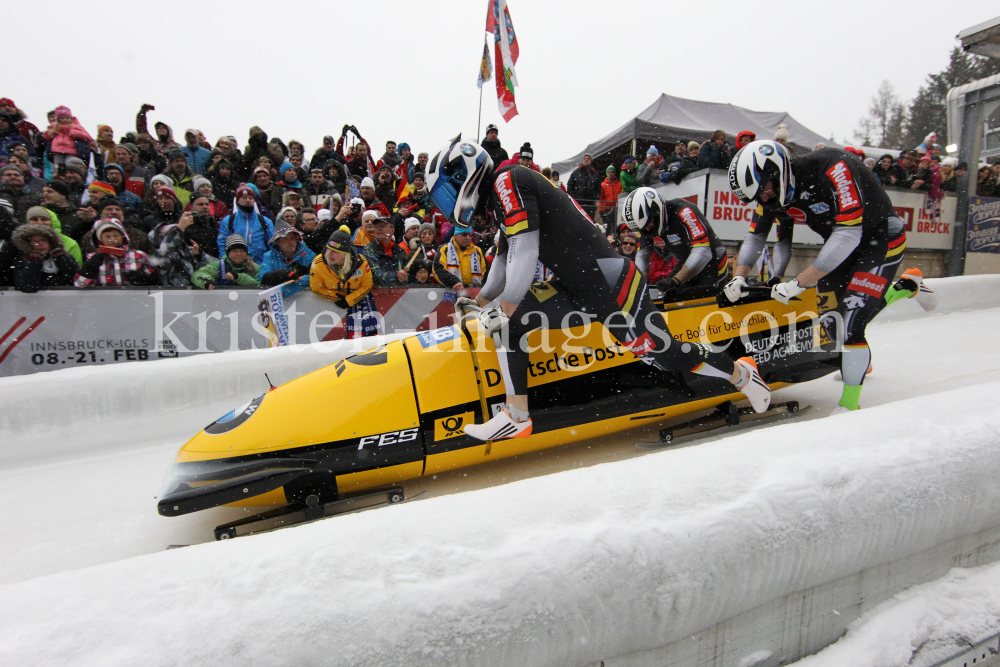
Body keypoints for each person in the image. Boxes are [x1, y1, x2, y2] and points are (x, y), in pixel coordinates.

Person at [426, 136, 771, 441]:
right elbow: (504, 261)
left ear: (464, 176)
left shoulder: (508, 179)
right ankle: (516, 415)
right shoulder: (502, 198)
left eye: (446, 193)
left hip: (612, 283)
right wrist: (479, 301)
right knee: (514, 324)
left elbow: (524, 252)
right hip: (576, 285)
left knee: (665, 357)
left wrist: (502, 308)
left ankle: (741, 375)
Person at [724, 140, 935, 414]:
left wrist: (799, 282)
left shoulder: (833, 167)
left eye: (763, 190)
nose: (763, 199)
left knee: (851, 323)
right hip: (840, 246)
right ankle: (906, 288)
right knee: (832, 325)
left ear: (777, 172)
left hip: (880, 239)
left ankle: (849, 404)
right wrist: (738, 277)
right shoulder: (771, 193)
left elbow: (849, 234)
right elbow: (756, 236)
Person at [620, 188, 729, 301]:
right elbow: (643, 255)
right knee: (668, 297)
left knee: (706, 300)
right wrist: (639, 286)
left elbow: (703, 252)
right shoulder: (645, 228)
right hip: (684, 261)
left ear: (657, 211)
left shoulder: (684, 211)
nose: (647, 229)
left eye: (649, 223)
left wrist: (676, 280)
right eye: (642, 227)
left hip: (712, 260)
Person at [309, 229, 379, 338]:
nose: (329, 254)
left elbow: (367, 285)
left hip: (360, 306)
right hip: (327, 314)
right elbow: (316, 288)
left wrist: (349, 300)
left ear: (345, 254)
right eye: (328, 249)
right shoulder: (318, 263)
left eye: (335, 251)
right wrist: (337, 297)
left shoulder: (362, 263)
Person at [74, 219, 157, 287]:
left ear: (123, 237)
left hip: (133, 300)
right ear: (100, 239)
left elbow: (155, 283)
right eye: (107, 236)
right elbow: (80, 285)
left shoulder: (139, 255)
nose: (112, 239)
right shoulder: (92, 257)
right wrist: (90, 269)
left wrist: (142, 280)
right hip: (103, 302)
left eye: (116, 235)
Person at [4, 222, 79, 291]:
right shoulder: (22, 261)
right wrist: (34, 263)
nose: (42, 244)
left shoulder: (64, 257)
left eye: (44, 240)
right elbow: (27, 287)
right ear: (27, 244)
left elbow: (77, 280)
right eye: (36, 241)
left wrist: (62, 259)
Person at [216, 184, 274, 262]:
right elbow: (222, 243)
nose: (248, 200)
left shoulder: (265, 221)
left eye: (250, 198)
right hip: (235, 265)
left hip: (260, 264)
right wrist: (225, 262)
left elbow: (272, 244)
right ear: (237, 201)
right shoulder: (228, 220)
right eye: (244, 198)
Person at [259, 223, 317, 296]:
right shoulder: (269, 256)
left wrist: (287, 289)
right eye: (284, 239)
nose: (289, 242)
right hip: (276, 301)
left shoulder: (308, 254)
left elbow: (315, 276)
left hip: (304, 298)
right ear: (277, 242)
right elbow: (263, 278)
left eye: (292, 238)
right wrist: (282, 274)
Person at [435, 223, 484, 289]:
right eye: (464, 234)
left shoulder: (478, 251)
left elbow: (485, 273)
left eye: (470, 235)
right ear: (456, 235)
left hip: (474, 293)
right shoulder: (444, 249)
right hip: (451, 291)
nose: (468, 237)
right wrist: (453, 282)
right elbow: (438, 270)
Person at [363, 217, 409, 286]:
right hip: (378, 294)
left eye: (383, 226)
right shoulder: (369, 249)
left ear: (392, 230)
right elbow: (375, 276)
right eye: (376, 226)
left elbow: (407, 276)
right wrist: (396, 276)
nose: (379, 229)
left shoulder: (400, 250)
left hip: (401, 292)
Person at [567, 153, 601, 220]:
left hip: (590, 203)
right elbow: (570, 185)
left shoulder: (595, 174)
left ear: (591, 161)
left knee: (589, 221)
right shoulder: (576, 173)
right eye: (585, 158)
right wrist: (574, 197)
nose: (586, 160)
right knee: (578, 220)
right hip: (578, 203)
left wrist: (595, 197)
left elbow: (598, 187)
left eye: (588, 159)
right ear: (582, 160)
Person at [597, 165, 623, 232]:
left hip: (618, 209)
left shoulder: (620, 184)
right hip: (607, 210)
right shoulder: (603, 185)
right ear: (607, 174)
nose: (611, 174)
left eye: (612, 172)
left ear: (615, 173)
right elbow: (601, 198)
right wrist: (601, 210)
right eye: (609, 172)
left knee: (617, 227)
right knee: (607, 228)